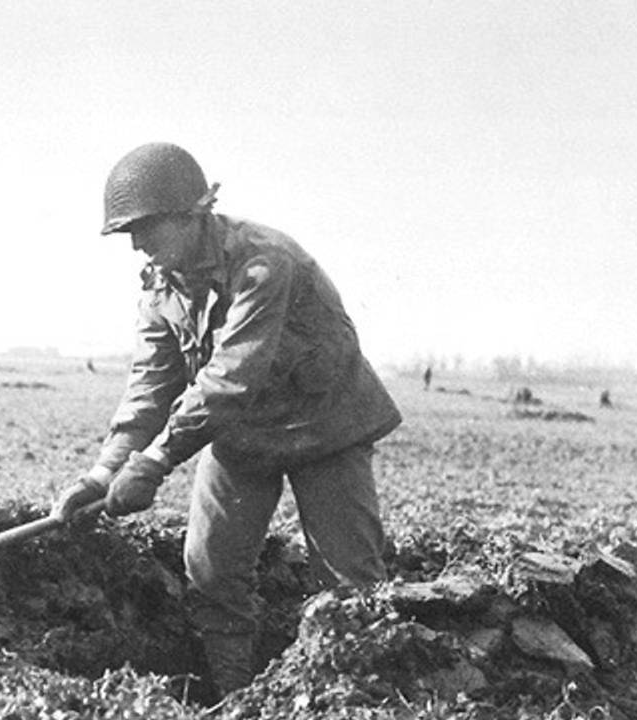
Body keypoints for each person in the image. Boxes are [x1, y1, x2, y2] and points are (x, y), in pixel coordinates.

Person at [52, 142, 402, 698]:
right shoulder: (162, 288)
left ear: (192, 214)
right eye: (129, 234)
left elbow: (231, 376)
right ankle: (237, 699)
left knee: (349, 583)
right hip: (242, 436)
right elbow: (149, 388)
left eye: (145, 229)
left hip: (325, 428)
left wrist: (157, 460)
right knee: (210, 571)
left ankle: (357, 699)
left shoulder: (264, 262)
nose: (137, 246)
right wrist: (102, 474)